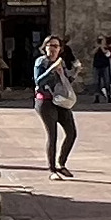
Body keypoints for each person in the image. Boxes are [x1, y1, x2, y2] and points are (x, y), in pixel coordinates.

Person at [32, 37, 80, 175]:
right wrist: (52, 69)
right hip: (45, 102)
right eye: (50, 45)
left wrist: (75, 73)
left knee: (71, 133)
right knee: (52, 135)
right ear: (45, 47)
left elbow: (64, 82)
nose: (53, 49)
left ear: (60, 49)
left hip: (60, 101)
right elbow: (38, 82)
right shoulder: (41, 62)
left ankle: (61, 163)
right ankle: (52, 170)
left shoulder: (61, 63)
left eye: (56, 46)